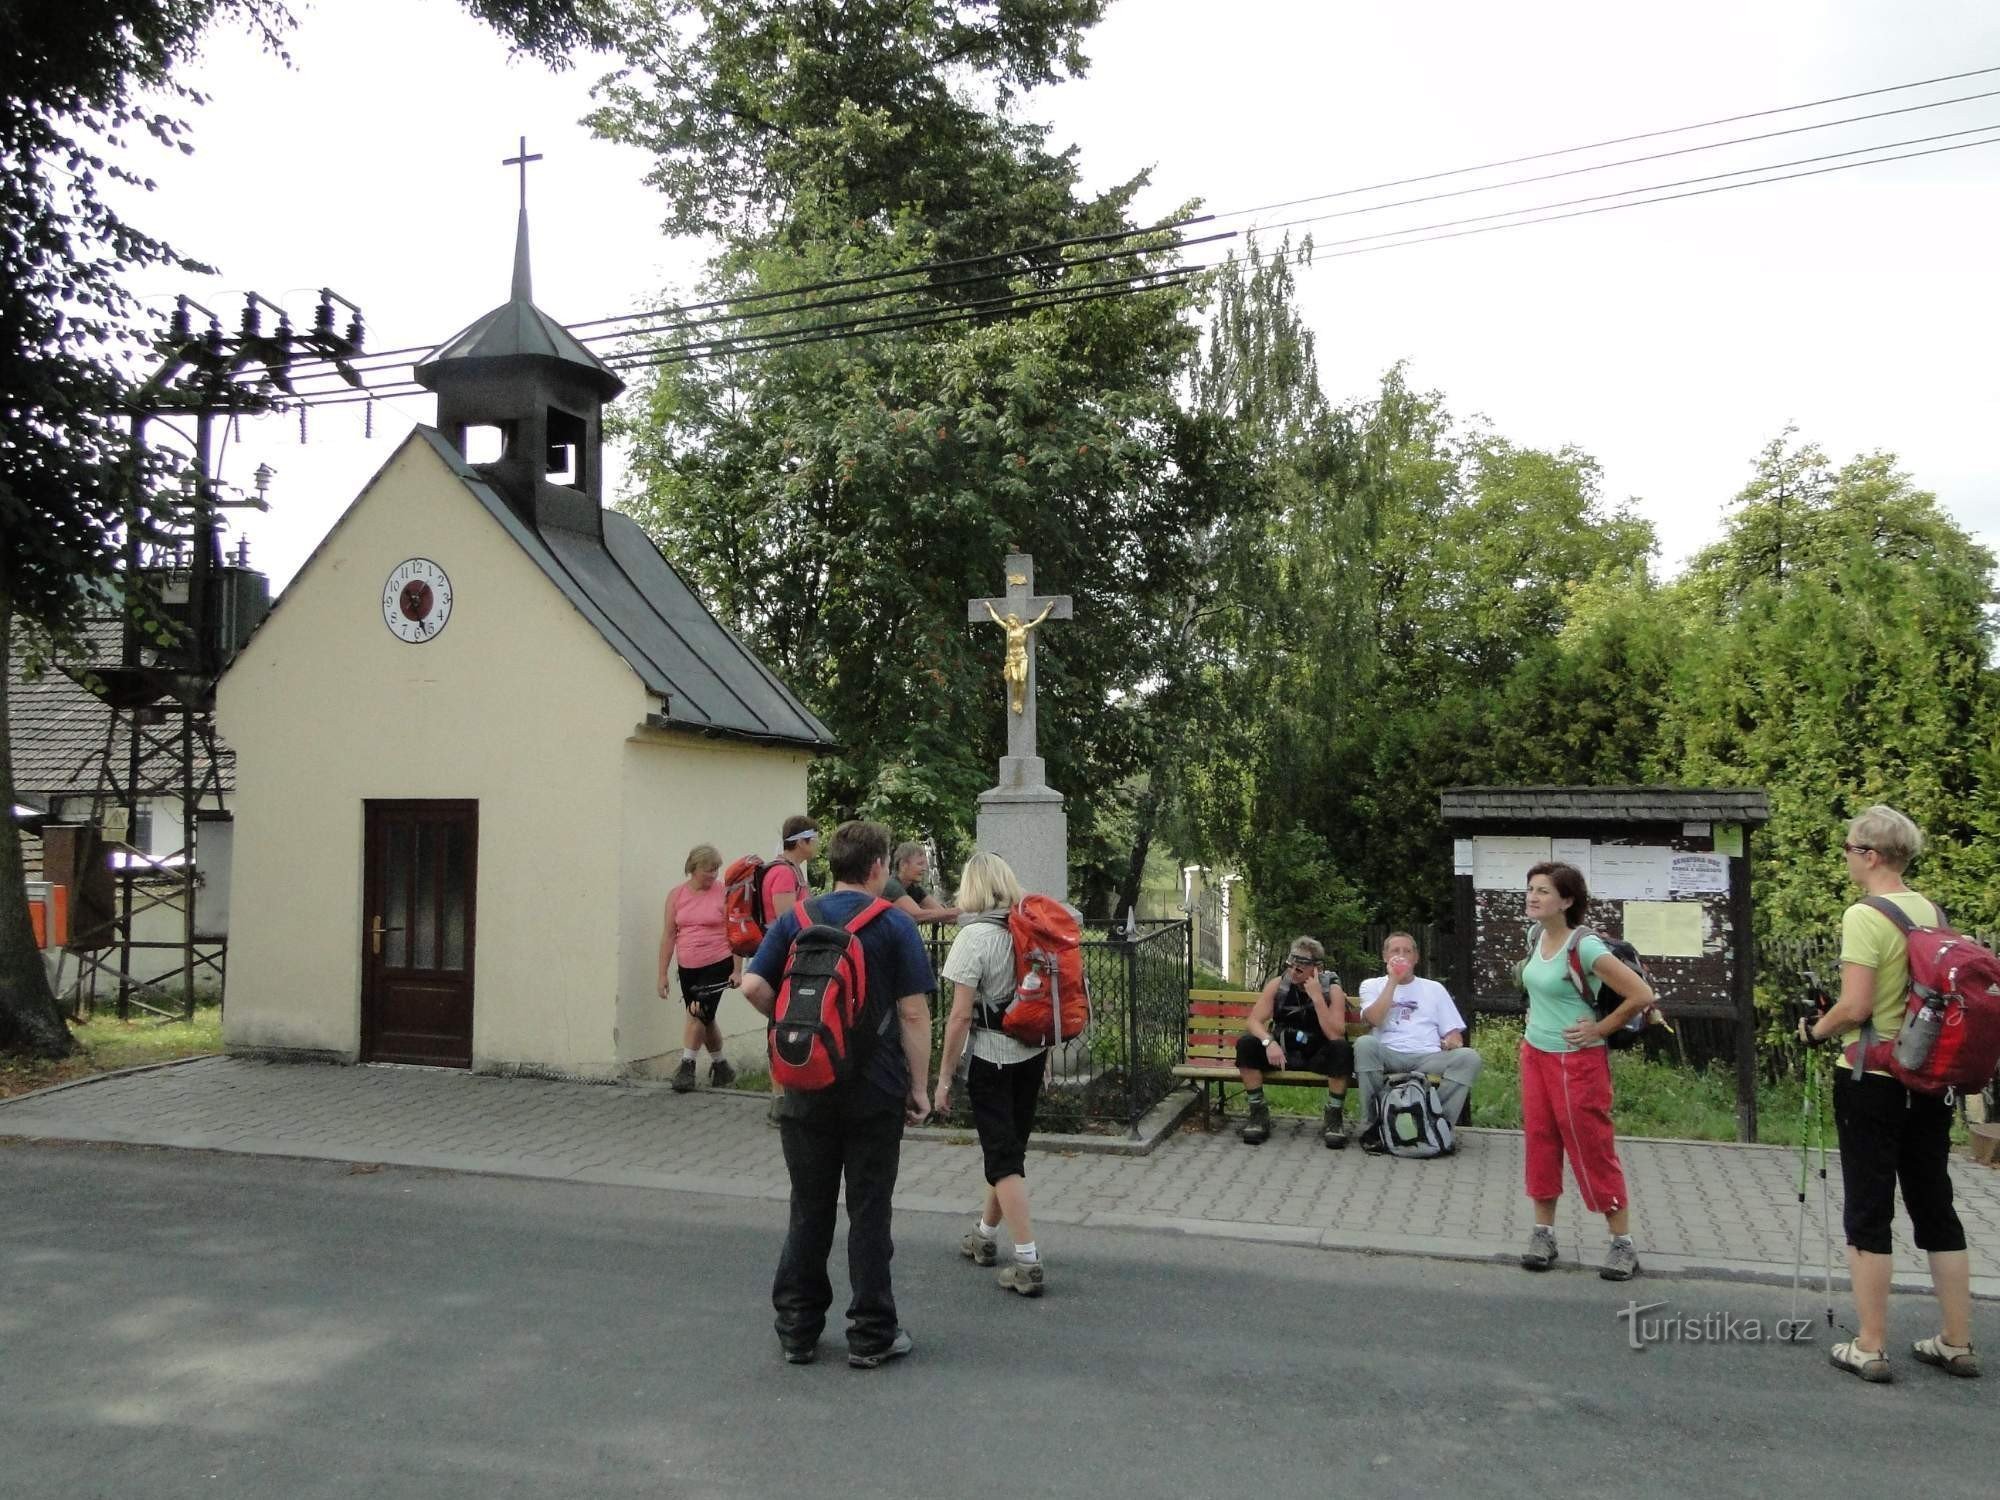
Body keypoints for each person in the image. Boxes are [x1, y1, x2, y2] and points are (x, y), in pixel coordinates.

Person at [740, 820, 935, 1370]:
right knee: (870, 1211)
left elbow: (753, 985)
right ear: (877, 868)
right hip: (874, 1091)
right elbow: (913, 1012)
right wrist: (918, 1089)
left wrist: (790, 1027)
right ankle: (872, 1334)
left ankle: (797, 1330)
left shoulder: (796, 919)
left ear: (834, 864)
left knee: (809, 1208)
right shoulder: (893, 925)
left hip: (804, 1088)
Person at [1798, 805, 1976, 1382]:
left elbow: (1857, 1007)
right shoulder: (1932, 911)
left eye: (1850, 849)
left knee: (1869, 1210)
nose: (1847, 858)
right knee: (1935, 1206)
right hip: (1928, 1080)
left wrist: (1815, 1031)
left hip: (1871, 1080)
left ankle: (1871, 1345)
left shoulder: (1864, 916)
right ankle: (1956, 1340)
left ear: (1870, 855)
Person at [1517, 861, 1654, 1281]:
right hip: (1535, 1054)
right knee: (1540, 1141)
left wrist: (1600, 1028)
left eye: (1543, 891)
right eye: (1531, 889)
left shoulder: (1587, 947)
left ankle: (1622, 1243)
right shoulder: (1535, 935)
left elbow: (1641, 994)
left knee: (1591, 1145)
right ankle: (1544, 1234)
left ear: (1567, 900)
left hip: (1578, 1062)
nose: (1533, 897)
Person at [932, 851, 1046, 1296]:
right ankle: (983, 1236)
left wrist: (944, 1079)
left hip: (993, 1060)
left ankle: (1027, 1260)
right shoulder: (1030, 932)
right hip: (1032, 1055)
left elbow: (960, 1018)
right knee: (1008, 1153)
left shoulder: (974, 937)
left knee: (1003, 1160)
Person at [1354, 931, 1482, 1154]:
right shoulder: (1371, 985)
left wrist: (1453, 1040)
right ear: (1385, 956)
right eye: (1395, 951)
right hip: (1388, 1053)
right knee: (1364, 1044)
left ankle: (1435, 1124)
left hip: (1427, 1057)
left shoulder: (1434, 989)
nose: (1401, 956)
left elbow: (1454, 1033)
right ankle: (1374, 1125)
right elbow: (1374, 1019)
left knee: (1469, 1058)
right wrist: (1393, 981)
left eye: (1407, 951)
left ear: (1416, 957)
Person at [1235, 937, 1354, 1149]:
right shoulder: (1278, 985)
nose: (1295, 967)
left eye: (1302, 963)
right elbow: (1253, 1021)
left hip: (1317, 1054)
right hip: (1283, 1052)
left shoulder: (1331, 990)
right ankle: (1258, 1113)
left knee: (1342, 1049)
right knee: (1246, 1044)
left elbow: (1336, 1034)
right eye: (1292, 960)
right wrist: (1268, 1042)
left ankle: (1334, 1118)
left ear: (1317, 968)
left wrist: (1317, 999)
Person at [657, 843, 740, 1093]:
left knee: (697, 1012)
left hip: (718, 961)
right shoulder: (676, 896)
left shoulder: (724, 893)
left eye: (716, 870)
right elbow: (669, 935)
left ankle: (686, 1067)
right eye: (708, 870)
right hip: (688, 965)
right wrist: (662, 973)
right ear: (693, 868)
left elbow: (735, 933)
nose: (713, 875)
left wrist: (737, 969)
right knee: (705, 1017)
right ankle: (721, 1066)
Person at [883, 841, 959, 926]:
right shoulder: (892, 886)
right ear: (903, 865)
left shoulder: (914, 888)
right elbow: (917, 915)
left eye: (925, 865)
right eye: (920, 864)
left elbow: (944, 915)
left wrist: (971, 914)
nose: (924, 869)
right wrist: (958, 911)